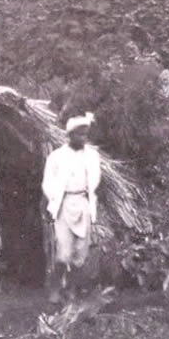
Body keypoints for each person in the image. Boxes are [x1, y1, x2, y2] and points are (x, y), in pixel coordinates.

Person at [42, 112, 101, 303]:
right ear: (70, 135)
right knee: (63, 255)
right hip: (63, 205)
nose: (83, 138)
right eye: (79, 134)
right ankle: (55, 287)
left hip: (83, 204)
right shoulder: (57, 156)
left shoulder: (92, 156)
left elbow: (94, 182)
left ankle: (72, 289)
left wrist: (88, 200)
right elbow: (48, 183)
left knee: (80, 256)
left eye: (85, 135)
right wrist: (53, 200)